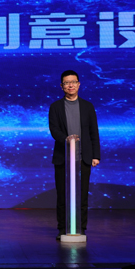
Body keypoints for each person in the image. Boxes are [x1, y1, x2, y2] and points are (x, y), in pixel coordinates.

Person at [48, 70, 100, 240]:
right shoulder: (55, 107)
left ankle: (80, 228)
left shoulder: (88, 106)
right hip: (63, 158)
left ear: (79, 84)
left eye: (73, 82)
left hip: (83, 158)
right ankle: (63, 228)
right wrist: (67, 139)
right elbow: (54, 130)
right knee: (63, 196)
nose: (70, 85)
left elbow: (93, 132)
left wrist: (96, 155)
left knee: (82, 195)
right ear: (61, 86)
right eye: (66, 83)